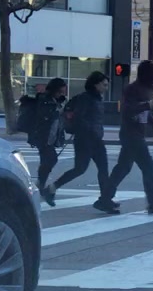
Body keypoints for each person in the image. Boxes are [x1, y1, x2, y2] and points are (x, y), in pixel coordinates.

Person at [108, 60, 153, 215]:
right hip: (132, 134)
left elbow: (145, 114)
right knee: (149, 168)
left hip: (134, 134)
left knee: (123, 168)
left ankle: (105, 197)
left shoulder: (145, 89)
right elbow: (128, 110)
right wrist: (148, 105)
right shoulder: (133, 89)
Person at [48, 71, 117, 213]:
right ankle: (51, 189)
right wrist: (91, 131)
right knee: (80, 169)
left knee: (102, 169)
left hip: (95, 139)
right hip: (85, 140)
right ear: (95, 84)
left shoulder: (96, 98)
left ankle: (105, 200)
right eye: (104, 85)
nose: (106, 88)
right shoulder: (86, 99)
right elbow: (80, 118)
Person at [29, 78, 67, 199]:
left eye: (63, 92)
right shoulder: (44, 100)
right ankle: (40, 184)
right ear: (54, 90)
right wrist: (59, 111)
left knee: (48, 160)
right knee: (50, 159)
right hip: (42, 136)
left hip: (50, 137)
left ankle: (40, 184)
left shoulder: (56, 100)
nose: (61, 94)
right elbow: (44, 116)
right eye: (59, 92)